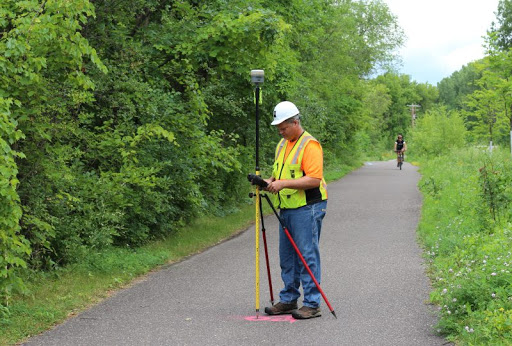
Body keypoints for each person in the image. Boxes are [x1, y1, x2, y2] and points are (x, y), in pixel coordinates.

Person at [263, 101, 328, 320]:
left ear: (295, 122)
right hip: (287, 207)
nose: (280, 132)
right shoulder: (282, 144)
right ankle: (289, 298)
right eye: (278, 128)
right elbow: (278, 173)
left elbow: (313, 179)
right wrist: (269, 182)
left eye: (283, 127)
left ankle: (312, 304)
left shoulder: (310, 145)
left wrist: (283, 184)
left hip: (308, 207)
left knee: (306, 256)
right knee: (288, 257)